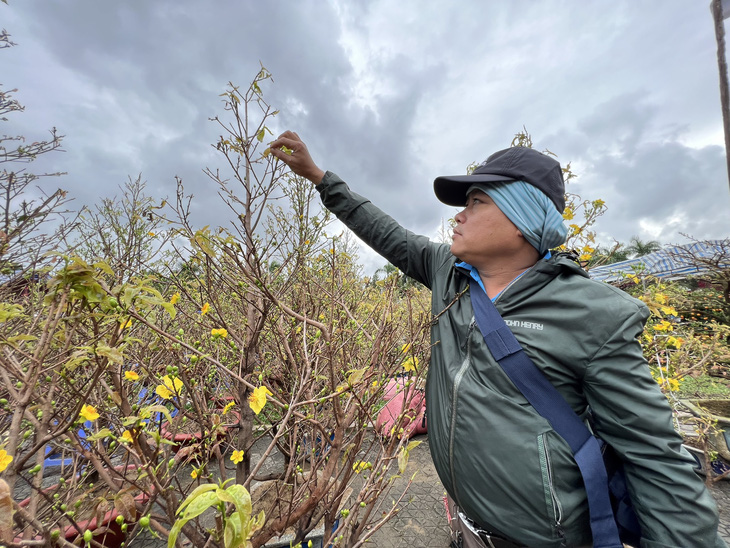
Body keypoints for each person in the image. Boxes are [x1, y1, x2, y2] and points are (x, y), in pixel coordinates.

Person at [267, 130, 727, 548]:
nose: (459, 216)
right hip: (467, 528)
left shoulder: (592, 315)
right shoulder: (447, 274)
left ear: (522, 217)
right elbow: (385, 231)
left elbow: (654, 459)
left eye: (477, 202)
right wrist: (320, 177)